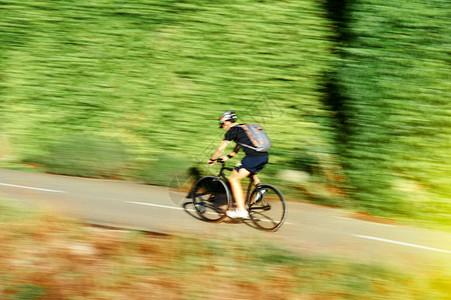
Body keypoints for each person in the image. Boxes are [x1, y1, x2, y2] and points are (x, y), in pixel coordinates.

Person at [208, 110, 269, 219]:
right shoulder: (243, 128)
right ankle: (259, 187)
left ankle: (241, 211)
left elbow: (221, 148)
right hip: (264, 156)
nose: (223, 127)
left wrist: (213, 159)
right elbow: (238, 147)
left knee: (234, 179)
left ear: (226, 122)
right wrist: (227, 157)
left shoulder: (231, 131)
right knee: (243, 167)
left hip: (253, 157)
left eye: (222, 124)